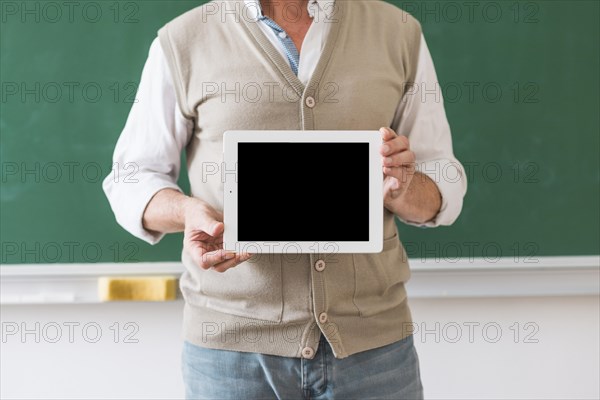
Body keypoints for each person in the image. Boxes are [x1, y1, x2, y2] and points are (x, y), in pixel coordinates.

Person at [103, 0, 467, 398]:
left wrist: (405, 186)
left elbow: (443, 183)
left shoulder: (398, 32)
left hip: (374, 349)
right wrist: (188, 211)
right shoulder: (183, 40)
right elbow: (130, 179)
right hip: (232, 355)